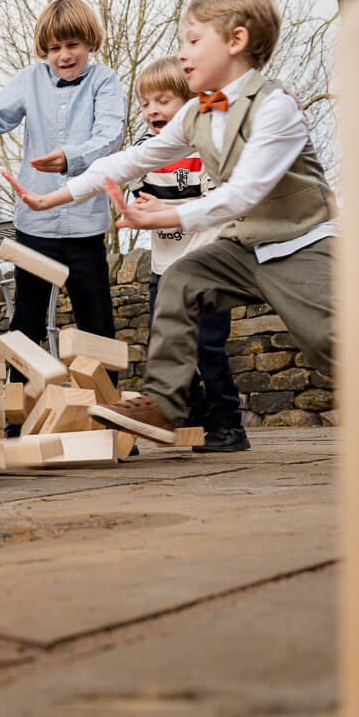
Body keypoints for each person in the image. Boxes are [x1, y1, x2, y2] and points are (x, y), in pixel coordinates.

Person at [4, 0, 336, 445]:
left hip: (299, 245)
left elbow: (241, 194)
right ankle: (165, 400)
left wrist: (169, 217)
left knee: (330, 341)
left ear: (236, 42)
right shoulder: (195, 113)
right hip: (242, 250)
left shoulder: (275, 108)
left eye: (194, 41)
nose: (183, 54)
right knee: (182, 280)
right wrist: (52, 197)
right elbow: (131, 161)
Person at [0, 0, 126, 382]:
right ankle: (19, 416)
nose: (63, 55)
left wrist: (69, 158)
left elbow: (110, 136)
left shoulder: (105, 81)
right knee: (26, 323)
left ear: (89, 43)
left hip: (86, 230)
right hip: (35, 230)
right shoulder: (29, 79)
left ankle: (108, 422)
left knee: (97, 325)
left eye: (72, 45)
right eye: (54, 48)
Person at [121, 57, 248, 452]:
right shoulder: (144, 152)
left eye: (163, 101)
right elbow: (126, 191)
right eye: (145, 104)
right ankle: (194, 411)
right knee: (167, 343)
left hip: (207, 266)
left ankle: (229, 424)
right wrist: (136, 207)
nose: (153, 111)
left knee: (207, 346)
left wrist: (167, 213)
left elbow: (215, 205)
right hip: (164, 269)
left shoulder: (204, 148)